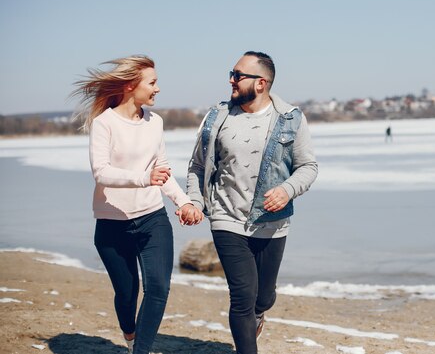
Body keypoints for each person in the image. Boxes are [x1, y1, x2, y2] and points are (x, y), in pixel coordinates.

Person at [70, 55, 203, 354]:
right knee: (127, 294)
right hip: (111, 224)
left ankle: (139, 351)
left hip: (152, 219)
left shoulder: (155, 122)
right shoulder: (105, 123)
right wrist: (145, 177)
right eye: (152, 83)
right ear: (131, 85)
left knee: (157, 289)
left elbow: (162, 170)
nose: (158, 89)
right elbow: (101, 172)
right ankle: (130, 335)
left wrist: (183, 203)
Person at [187, 51, 318, 354]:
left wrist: (287, 189)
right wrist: (195, 200)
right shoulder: (216, 117)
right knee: (242, 296)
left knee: (263, 297)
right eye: (231, 74)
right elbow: (196, 166)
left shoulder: (290, 118)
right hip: (226, 217)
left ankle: (261, 313)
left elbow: (308, 167)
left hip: (272, 222)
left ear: (261, 83)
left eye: (238, 75)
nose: (231, 80)